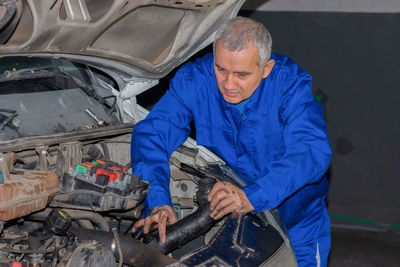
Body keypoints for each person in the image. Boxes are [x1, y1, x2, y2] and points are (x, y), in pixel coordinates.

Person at [131, 16, 332, 267]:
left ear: (266, 68)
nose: (228, 84)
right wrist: (158, 201)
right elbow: (153, 133)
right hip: (235, 222)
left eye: (242, 74)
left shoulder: (289, 86)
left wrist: (252, 196)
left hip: (297, 222)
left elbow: (311, 151)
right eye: (221, 69)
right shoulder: (196, 79)